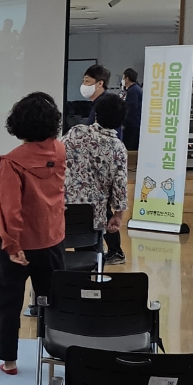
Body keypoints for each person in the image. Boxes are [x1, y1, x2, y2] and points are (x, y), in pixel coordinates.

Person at [0, 92, 65, 374]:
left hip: (20, 245)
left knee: (9, 302)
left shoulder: (12, 160)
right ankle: (58, 352)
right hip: (52, 239)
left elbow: (12, 209)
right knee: (53, 302)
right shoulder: (59, 151)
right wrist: (1, 185)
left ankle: (9, 360)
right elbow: (42, 184)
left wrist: (12, 244)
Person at [65, 92, 128, 265]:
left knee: (56, 262)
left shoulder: (75, 133)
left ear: (96, 114)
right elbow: (120, 185)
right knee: (88, 263)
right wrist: (118, 215)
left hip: (60, 213)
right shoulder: (118, 148)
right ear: (120, 122)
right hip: (91, 219)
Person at [120, 68, 143, 150]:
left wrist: (124, 123)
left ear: (127, 78)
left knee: (130, 147)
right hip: (135, 123)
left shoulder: (133, 90)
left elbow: (131, 108)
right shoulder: (136, 89)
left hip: (132, 125)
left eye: (123, 78)